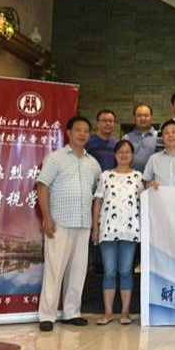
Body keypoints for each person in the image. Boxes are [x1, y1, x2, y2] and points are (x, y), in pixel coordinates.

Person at [36, 115, 102, 331]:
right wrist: (46, 217)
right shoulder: (55, 158)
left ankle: (72, 312)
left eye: (86, 131)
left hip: (83, 224)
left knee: (78, 270)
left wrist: (95, 224)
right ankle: (47, 315)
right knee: (54, 269)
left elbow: (97, 193)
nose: (82, 134)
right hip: (59, 222)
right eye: (78, 130)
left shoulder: (93, 163)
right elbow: (42, 186)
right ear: (69, 133)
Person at [91, 140, 144, 325]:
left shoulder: (138, 176)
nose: (124, 155)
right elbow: (98, 201)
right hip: (107, 230)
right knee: (109, 271)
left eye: (127, 152)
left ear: (132, 155)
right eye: (120, 151)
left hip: (130, 230)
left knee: (126, 271)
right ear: (115, 155)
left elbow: (144, 202)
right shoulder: (105, 175)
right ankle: (108, 313)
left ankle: (125, 312)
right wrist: (95, 227)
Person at [143, 120, 175, 188]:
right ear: (162, 138)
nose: (170, 135)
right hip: (159, 195)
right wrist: (150, 184)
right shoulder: (153, 159)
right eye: (166, 133)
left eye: (174, 132)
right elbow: (145, 182)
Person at [123, 103, 157, 172]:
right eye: (139, 115)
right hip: (132, 177)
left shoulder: (160, 137)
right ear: (134, 118)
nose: (143, 118)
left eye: (146, 115)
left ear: (151, 118)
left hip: (154, 177)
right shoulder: (126, 138)